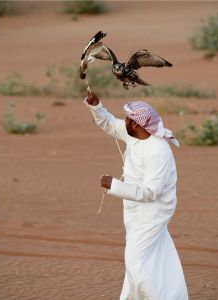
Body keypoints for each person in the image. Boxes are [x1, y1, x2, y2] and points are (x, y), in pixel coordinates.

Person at [84, 91, 189, 300]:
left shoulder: (158, 151)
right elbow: (109, 124)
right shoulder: (135, 135)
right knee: (156, 259)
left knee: (136, 261)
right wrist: (96, 106)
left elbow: (151, 192)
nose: (125, 122)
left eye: (128, 119)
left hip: (153, 213)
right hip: (136, 210)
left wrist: (115, 185)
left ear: (137, 124)